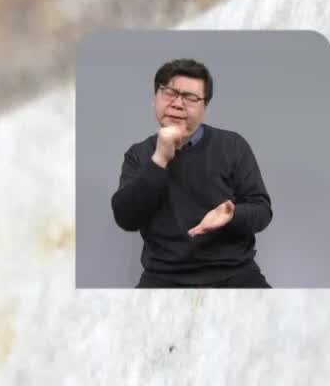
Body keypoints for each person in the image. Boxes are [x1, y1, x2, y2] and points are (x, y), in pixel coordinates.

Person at [109, 58, 274, 287]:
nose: (177, 104)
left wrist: (231, 215)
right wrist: (160, 159)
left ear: (205, 108)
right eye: (169, 92)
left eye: (190, 98)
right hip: (162, 277)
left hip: (234, 273)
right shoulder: (138, 155)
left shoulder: (233, 145)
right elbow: (126, 218)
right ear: (154, 98)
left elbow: (262, 211)